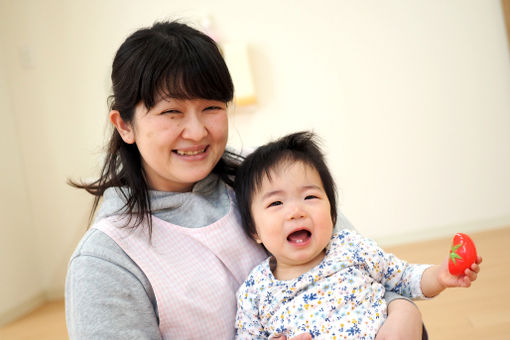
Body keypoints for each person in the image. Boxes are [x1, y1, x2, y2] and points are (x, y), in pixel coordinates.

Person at [66, 20, 428, 339]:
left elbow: (363, 267)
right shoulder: (105, 261)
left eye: (211, 107)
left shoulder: (265, 179)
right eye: (171, 112)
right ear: (124, 124)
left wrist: (403, 313)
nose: (196, 132)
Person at [233, 131, 482, 339]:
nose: (296, 211)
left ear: (332, 212)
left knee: (406, 316)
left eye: (310, 197)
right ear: (254, 230)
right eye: (276, 203)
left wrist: (440, 275)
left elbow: (404, 278)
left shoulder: (351, 247)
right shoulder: (255, 291)